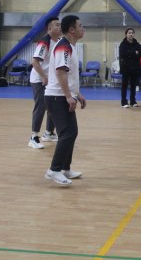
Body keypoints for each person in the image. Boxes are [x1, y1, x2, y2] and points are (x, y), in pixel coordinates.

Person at [44, 15, 86, 186]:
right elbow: (60, 72)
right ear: (72, 30)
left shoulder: (71, 46)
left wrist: (77, 93)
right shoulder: (63, 46)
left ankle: (65, 168)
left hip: (63, 95)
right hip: (57, 97)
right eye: (80, 26)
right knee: (66, 134)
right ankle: (53, 170)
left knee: (72, 132)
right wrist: (69, 96)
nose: (83, 29)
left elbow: (70, 75)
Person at [28, 17, 61, 149]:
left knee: (52, 106)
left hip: (51, 80)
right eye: (57, 25)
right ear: (49, 29)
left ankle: (49, 133)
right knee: (41, 106)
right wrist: (44, 77)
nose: (60, 27)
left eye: (60, 25)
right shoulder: (44, 42)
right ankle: (33, 137)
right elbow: (35, 62)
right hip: (39, 80)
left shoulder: (59, 42)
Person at [119, 27, 141, 108]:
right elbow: (124, 54)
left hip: (135, 67)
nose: (131, 34)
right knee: (124, 85)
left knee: (133, 85)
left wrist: (131, 53)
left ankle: (133, 101)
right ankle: (124, 102)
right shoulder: (123, 44)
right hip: (125, 68)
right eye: (129, 33)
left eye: (132, 33)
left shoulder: (136, 43)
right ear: (126, 34)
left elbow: (140, 53)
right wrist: (134, 53)